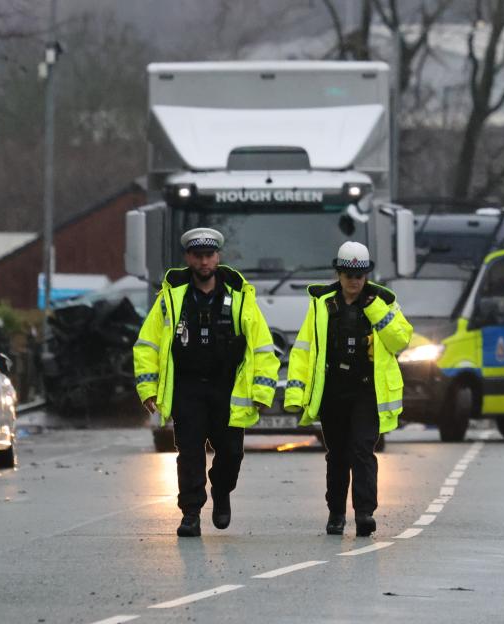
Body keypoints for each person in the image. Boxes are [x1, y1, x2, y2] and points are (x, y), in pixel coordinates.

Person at [133, 227, 280, 537]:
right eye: (197, 256)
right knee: (189, 453)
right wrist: (148, 389)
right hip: (187, 389)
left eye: (209, 256)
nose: (203, 262)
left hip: (227, 389)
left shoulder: (240, 299)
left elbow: (262, 347)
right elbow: (148, 346)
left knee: (231, 453)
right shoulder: (171, 300)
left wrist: (262, 391)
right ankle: (190, 514)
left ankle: (222, 491)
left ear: (218, 257)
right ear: (188, 258)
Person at [284, 241, 412, 537]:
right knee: (338, 454)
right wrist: (295, 394)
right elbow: (304, 350)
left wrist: (376, 310)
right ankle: (336, 513)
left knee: (362, 450)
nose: (354, 281)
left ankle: (365, 513)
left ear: (367, 274)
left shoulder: (383, 302)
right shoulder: (321, 304)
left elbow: (400, 341)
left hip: (367, 391)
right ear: (338, 273)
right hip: (333, 391)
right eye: (348, 274)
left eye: (359, 275)